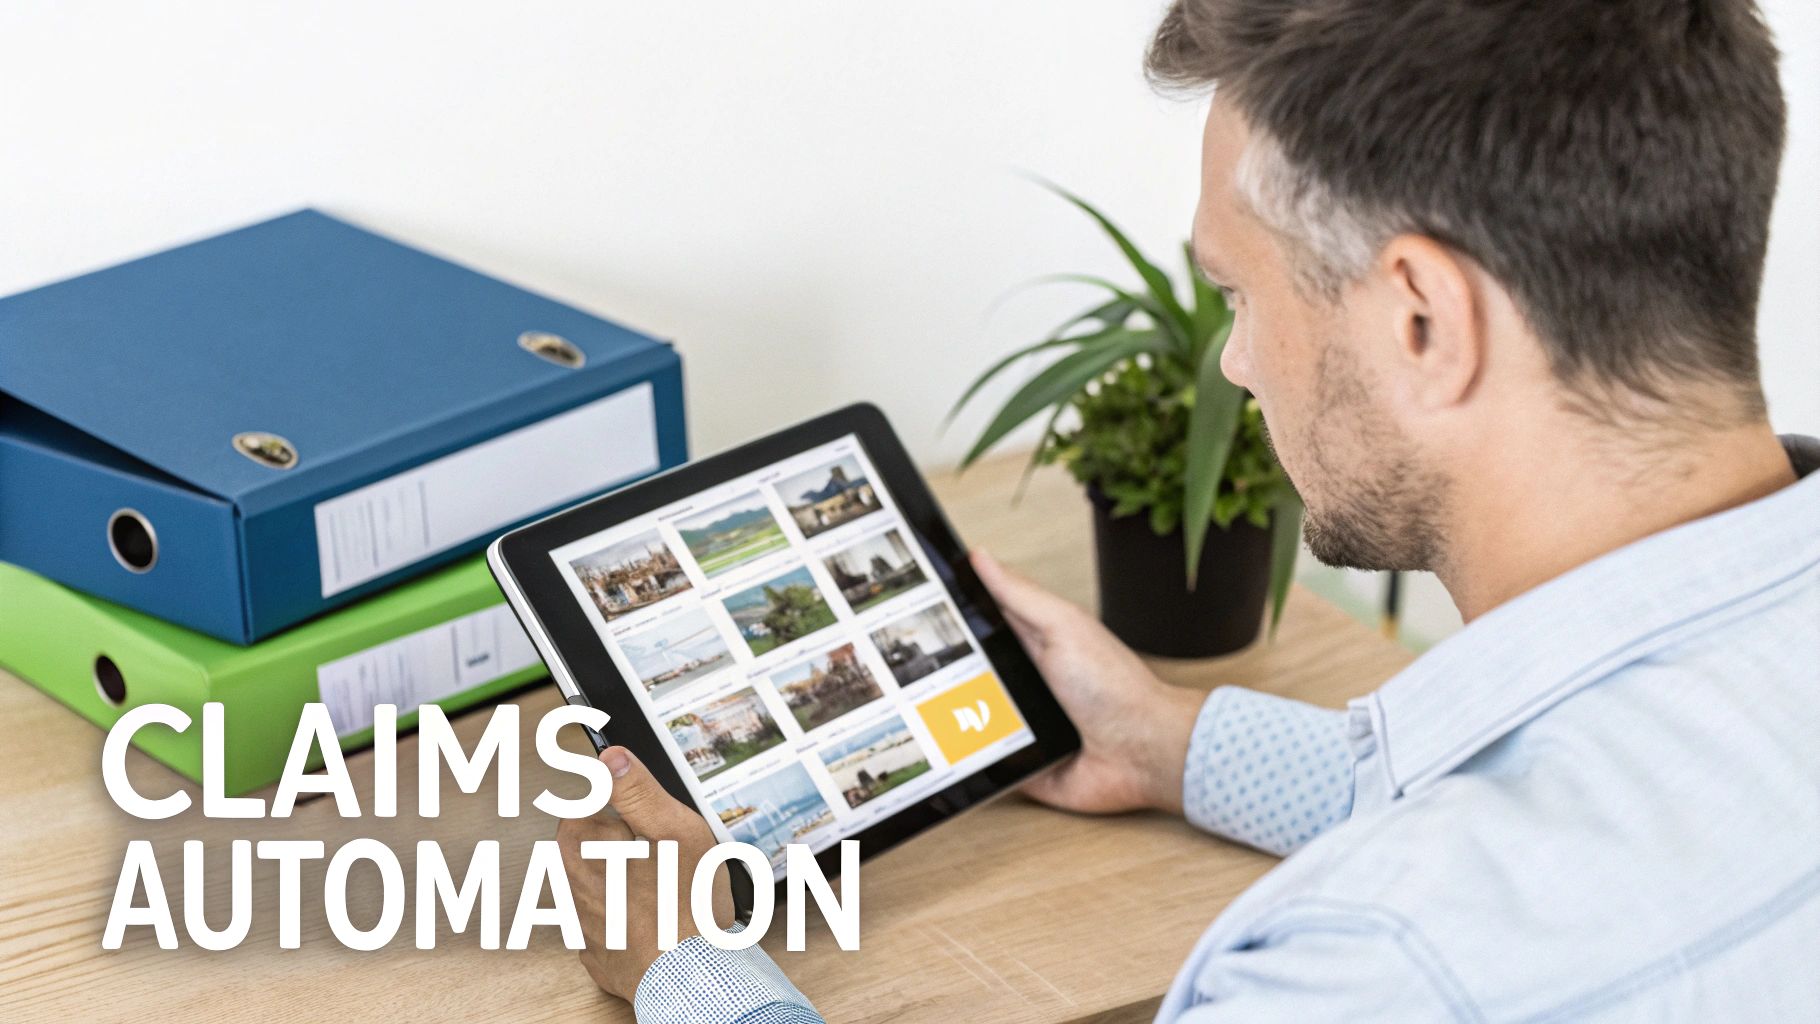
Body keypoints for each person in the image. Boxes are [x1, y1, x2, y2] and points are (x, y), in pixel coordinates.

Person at [558, 0, 1820, 1019]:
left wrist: (689, 970)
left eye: (1240, 296)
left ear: (1420, 321)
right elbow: (1619, 801)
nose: (1235, 363)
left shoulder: (1374, 967)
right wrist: (1166, 742)